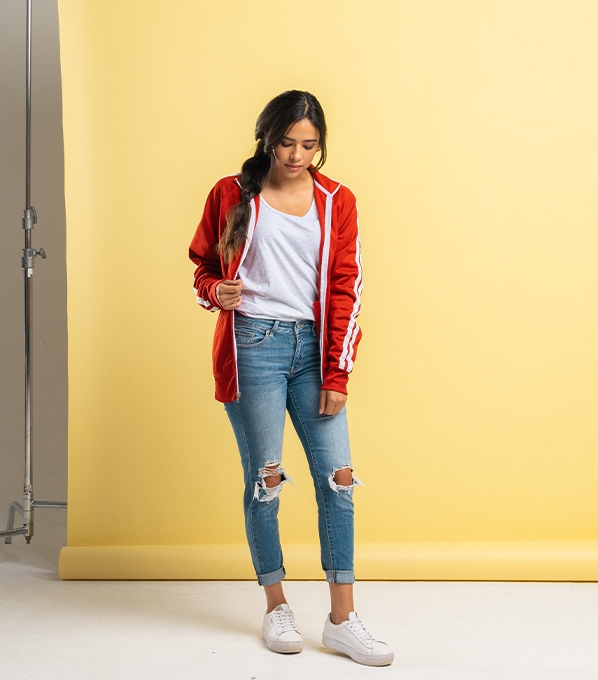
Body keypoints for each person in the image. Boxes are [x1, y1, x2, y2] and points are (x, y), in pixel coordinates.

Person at [188, 90, 392, 667]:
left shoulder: (337, 201)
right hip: (252, 344)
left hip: (314, 350)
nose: (298, 156)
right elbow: (203, 266)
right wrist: (214, 293)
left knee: (340, 479)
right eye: (286, 144)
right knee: (267, 479)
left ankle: (342, 619)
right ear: (266, 138)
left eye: (309, 145)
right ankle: (276, 603)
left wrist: (337, 371)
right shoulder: (231, 194)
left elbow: (346, 287)